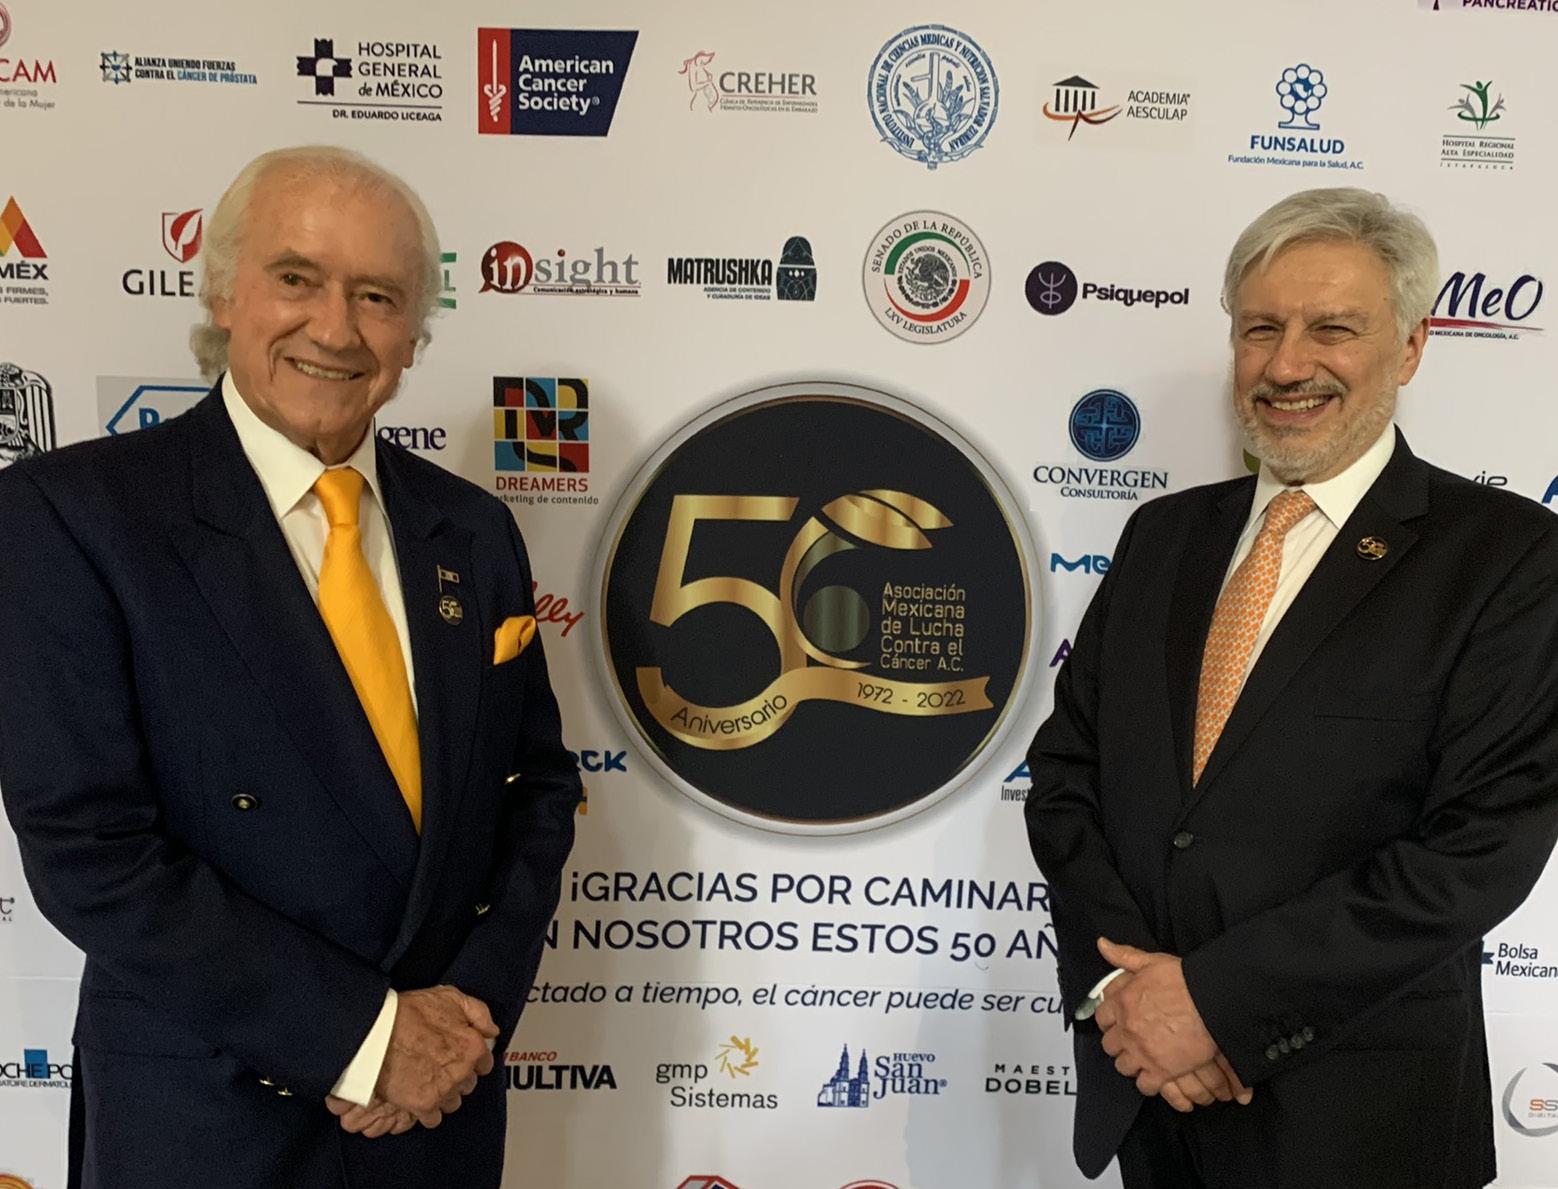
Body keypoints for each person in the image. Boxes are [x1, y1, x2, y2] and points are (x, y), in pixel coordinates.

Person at [0, 145, 580, 1188]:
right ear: (224, 292)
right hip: (208, 1122)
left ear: (413, 334)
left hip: (435, 1120)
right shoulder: (74, 516)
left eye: (377, 295)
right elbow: (91, 849)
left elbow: (535, 792)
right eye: (297, 278)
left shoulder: (474, 528)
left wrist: (463, 1022)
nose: (335, 328)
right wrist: (365, 1039)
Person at [1024, 187, 1558, 1187]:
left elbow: (1479, 847)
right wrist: (1128, 997)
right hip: (1150, 1095)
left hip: (1357, 1118)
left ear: (1409, 347)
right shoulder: (1162, 536)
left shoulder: (1506, 558)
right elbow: (1065, 780)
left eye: (1333, 329)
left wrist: (1215, 1007)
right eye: (1260, 328)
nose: (1285, 365)